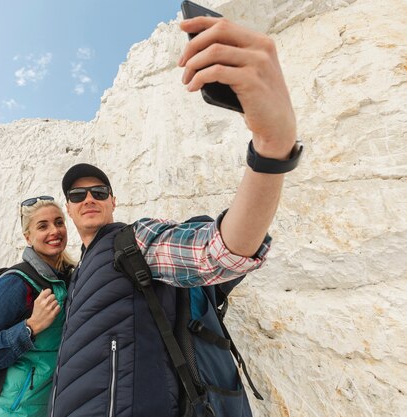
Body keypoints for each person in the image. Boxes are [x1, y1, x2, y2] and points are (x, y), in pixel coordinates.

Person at [49, 16, 303, 417]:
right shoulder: (75, 276)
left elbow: (217, 253)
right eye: (77, 195)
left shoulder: (133, 241)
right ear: (69, 207)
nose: (89, 199)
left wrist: (272, 148)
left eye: (99, 192)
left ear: (113, 201)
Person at [0, 196, 75, 417]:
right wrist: (29, 328)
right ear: (28, 237)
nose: (54, 231)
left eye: (59, 222)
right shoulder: (15, 284)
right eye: (42, 226)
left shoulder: (68, 279)